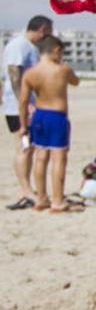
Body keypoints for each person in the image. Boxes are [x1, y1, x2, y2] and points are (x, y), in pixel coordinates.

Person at [18, 35, 81, 212]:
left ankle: (42, 198)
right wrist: (65, 66)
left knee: (40, 157)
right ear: (56, 50)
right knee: (59, 158)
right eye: (61, 53)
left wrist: (23, 125)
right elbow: (76, 82)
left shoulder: (30, 73)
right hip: (57, 116)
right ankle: (58, 200)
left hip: (39, 115)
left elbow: (23, 102)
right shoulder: (62, 69)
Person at [4, 15, 53, 209]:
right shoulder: (19, 45)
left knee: (30, 147)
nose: (49, 36)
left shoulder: (31, 47)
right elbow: (14, 75)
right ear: (41, 29)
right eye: (48, 32)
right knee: (23, 147)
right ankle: (25, 191)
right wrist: (23, 104)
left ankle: (28, 190)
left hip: (31, 104)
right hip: (19, 107)